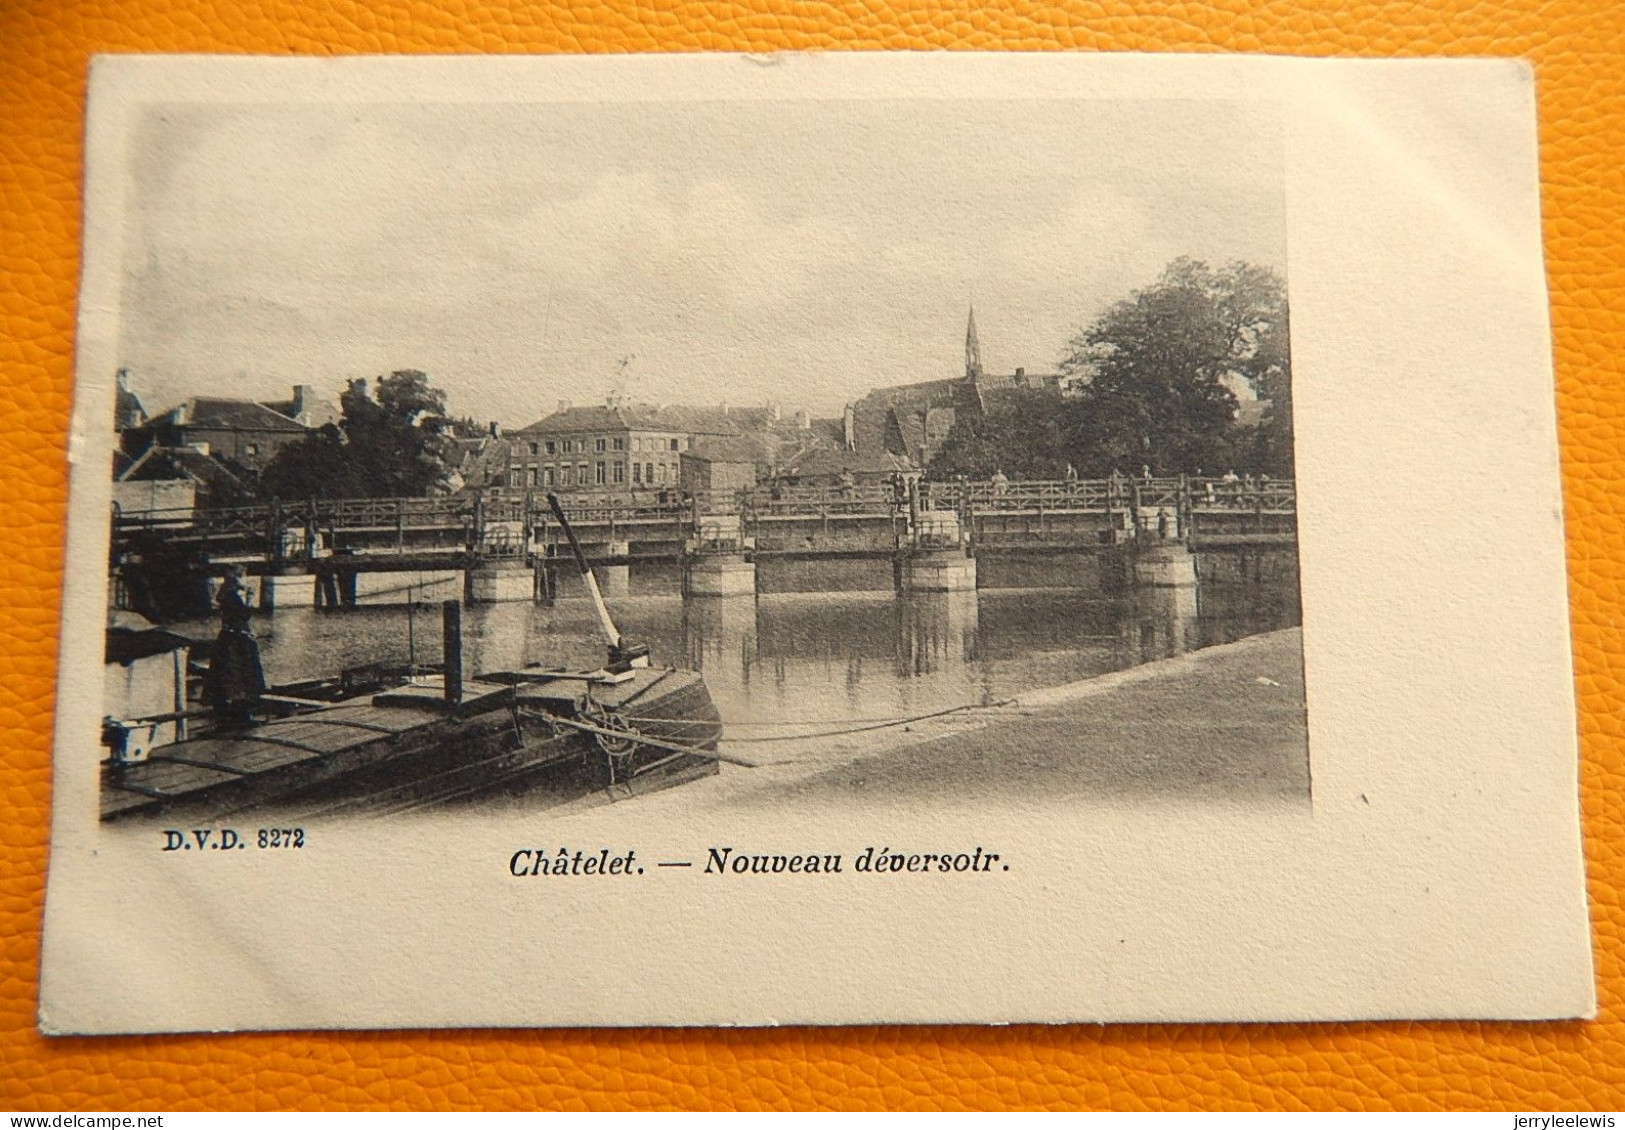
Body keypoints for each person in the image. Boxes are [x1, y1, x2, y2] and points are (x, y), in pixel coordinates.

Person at [203, 565, 265, 727]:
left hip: (228, 637)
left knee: (226, 676)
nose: (245, 580)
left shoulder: (224, 593)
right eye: (243, 576)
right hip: (238, 639)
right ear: (237, 577)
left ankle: (226, 713)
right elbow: (243, 615)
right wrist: (251, 598)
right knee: (242, 675)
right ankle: (242, 715)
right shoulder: (233, 596)